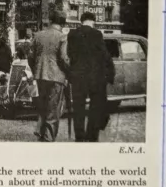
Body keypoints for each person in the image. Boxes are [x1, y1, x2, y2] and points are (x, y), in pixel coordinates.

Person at [67, 12, 115, 142]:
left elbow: (69, 55)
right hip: (94, 77)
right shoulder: (97, 34)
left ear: (81, 21)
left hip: (78, 77)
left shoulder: (71, 35)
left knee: (78, 107)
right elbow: (104, 55)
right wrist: (110, 73)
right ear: (92, 21)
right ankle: (91, 136)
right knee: (95, 107)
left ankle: (79, 137)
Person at [30, 11, 70, 142]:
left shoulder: (38, 35)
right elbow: (64, 59)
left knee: (42, 106)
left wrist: (36, 70)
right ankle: (48, 138)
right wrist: (68, 72)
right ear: (63, 23)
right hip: (56, 77)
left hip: (40, 76)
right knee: (53, 109)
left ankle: (41, 133)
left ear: (51, 21)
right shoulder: (62, 37)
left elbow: (31, 57)